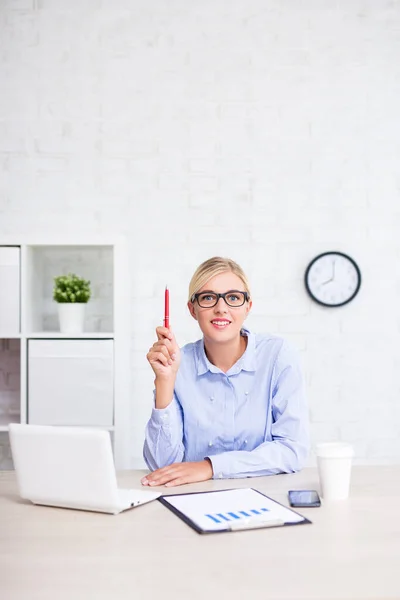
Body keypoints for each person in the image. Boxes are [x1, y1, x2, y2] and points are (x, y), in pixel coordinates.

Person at [141, 256, 309, 488]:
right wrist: (165, 381)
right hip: (194, 498)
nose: (221, 308)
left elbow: (292, 450)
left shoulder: (277, 356)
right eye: (208, 298)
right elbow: (162, 467)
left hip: (265, 495)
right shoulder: (177, 363)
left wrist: (210, 467)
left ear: (248, 306)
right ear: (193, 309)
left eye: (233, 298)